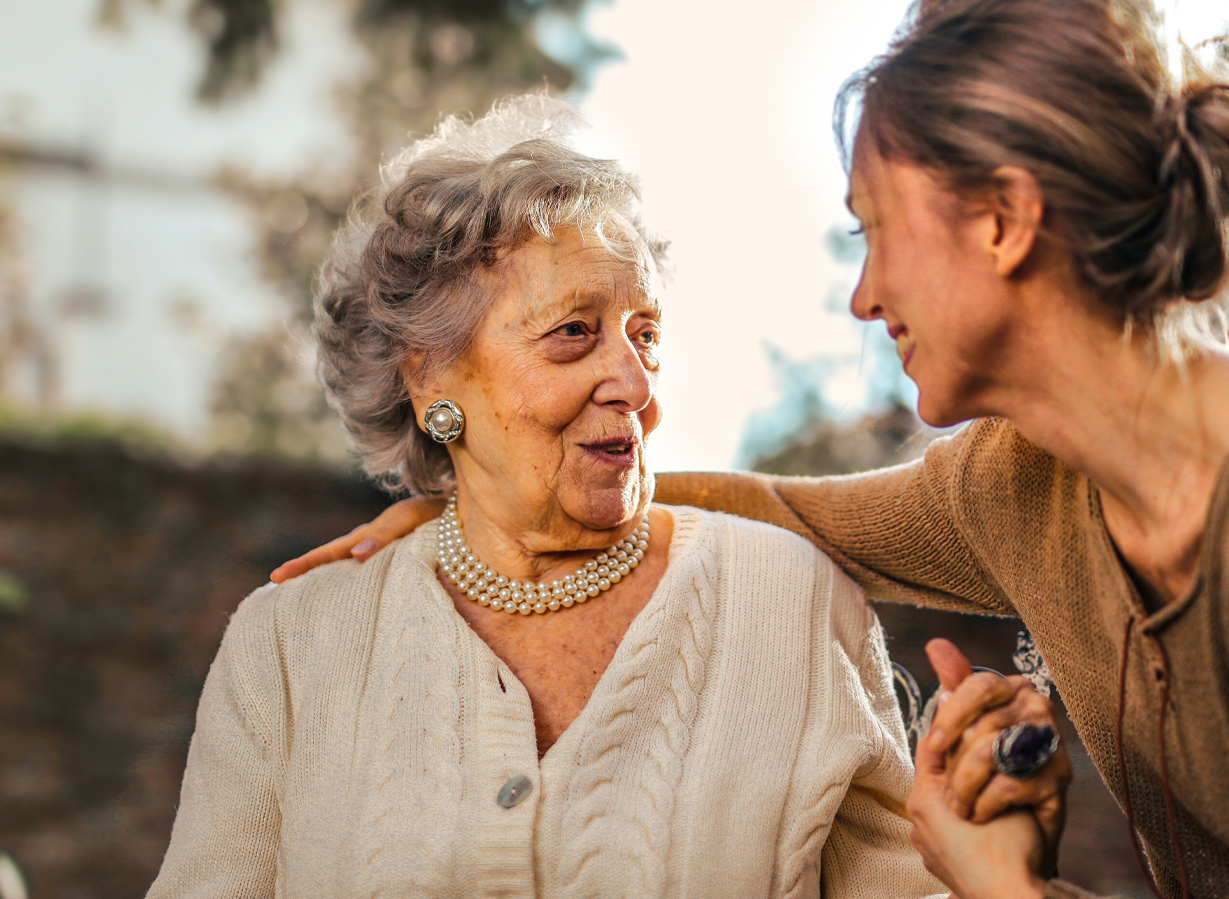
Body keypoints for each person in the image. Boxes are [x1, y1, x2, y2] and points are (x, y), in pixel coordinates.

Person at [272, 0, 1229, 899]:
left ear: (1000, 220)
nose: (864, 294)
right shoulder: (1024, 482)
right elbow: (785, 510)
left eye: (875, 228)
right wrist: (485, 487)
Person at [149, 94, 990, 897]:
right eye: (573, 333)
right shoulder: (290, 646)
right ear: (431, 374)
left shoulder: (794, 604)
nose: (633, 382)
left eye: (646, 335)